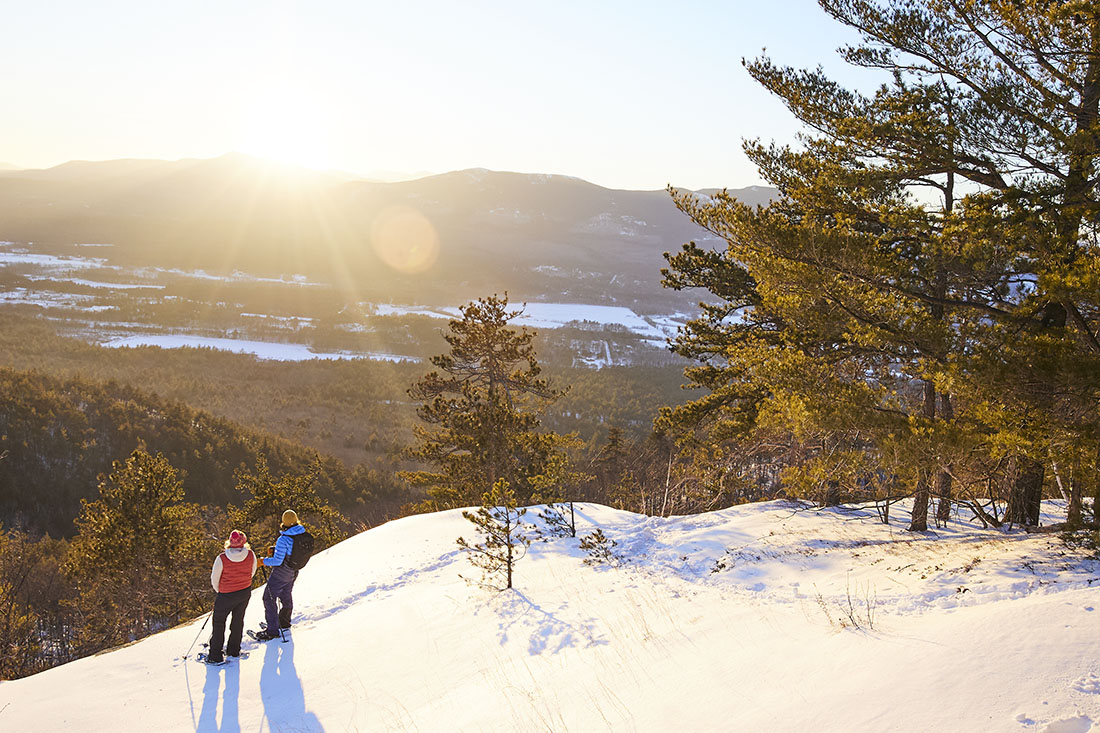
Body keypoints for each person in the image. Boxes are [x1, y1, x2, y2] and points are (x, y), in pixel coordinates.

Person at [206, 529, 257, 663]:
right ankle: (233, 650)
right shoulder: (251, 555)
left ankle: (215, 655)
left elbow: (214, 578)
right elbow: (252, 571)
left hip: (226, 595)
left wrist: (221, 590)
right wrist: (243, 582)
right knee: (238, 621)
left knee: (218, 623)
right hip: (244, 591)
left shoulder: (222, 558)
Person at [254, 510, 306, 641]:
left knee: (268, 598)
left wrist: (263, 561)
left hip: (281, 573)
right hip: (294, 571)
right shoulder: (301, 533)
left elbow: (277, 561)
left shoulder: (284, 539)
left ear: (284, 523)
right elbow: (291, 551)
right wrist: (276, 549)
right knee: (286, 594)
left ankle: (272, 630)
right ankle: (284, 622)